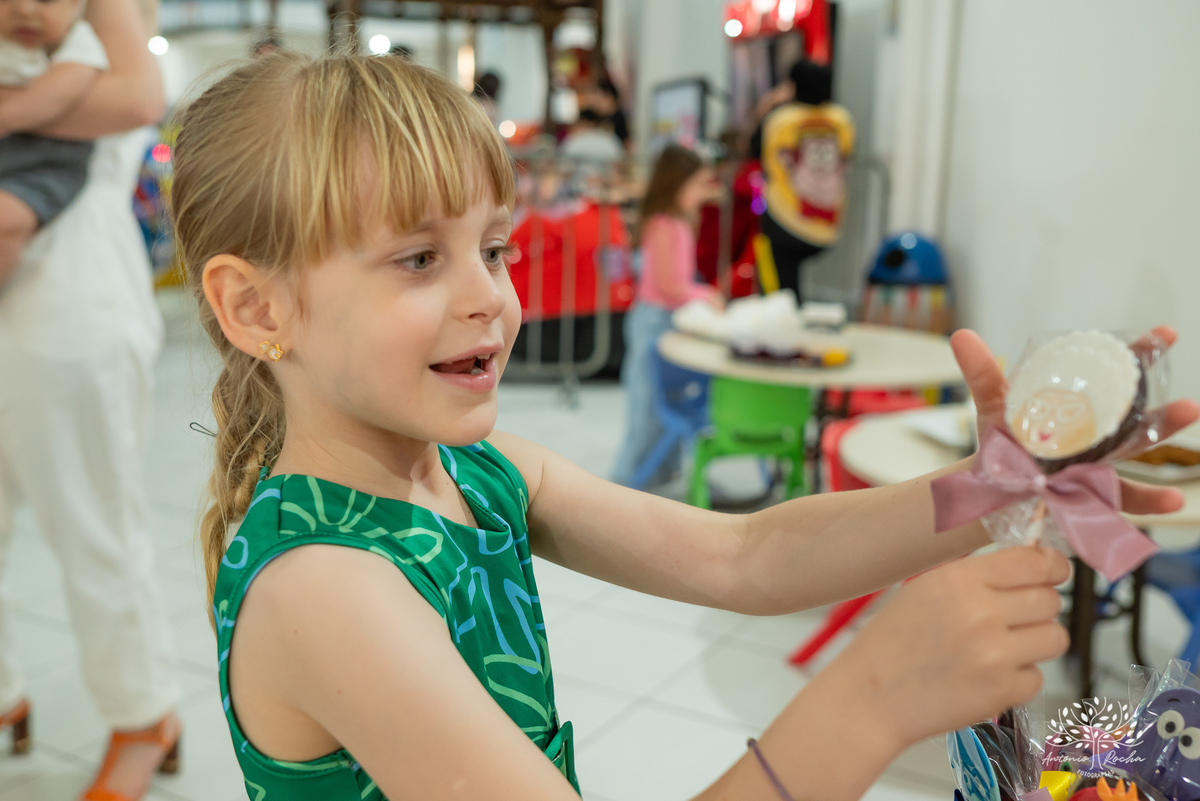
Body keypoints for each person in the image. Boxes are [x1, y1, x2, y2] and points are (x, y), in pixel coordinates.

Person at [167, 52, 1197, 801]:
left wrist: (994, 489)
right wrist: (875, 695)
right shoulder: (326, 591)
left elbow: (743, 556)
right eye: (418, 259)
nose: (492, 298)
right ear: (257, 308)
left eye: (496, 248)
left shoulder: (480, 472)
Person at [0, 0, 182, 796]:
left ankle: (143, 713)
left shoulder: (102, 21)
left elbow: (139, 99)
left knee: (94, 526)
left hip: (72, 306)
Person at [611, 144, 722, 488]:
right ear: (678, 183)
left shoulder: (678, 222)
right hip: (654, 322)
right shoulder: (663, 225)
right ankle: (626, 482)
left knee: (669, 405)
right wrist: (707, 294)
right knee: (646, 410)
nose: (703, 193)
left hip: (670, 322)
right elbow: (671, 286)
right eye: (697, 184)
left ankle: (660, 473)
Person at [0, 0, 109, 290]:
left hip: (45, 163)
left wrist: (9, 115)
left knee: (6, 220)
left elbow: (57, 94)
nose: (24, 10)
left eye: (45, 0)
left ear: (76, 6)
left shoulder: (76, 43)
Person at [750, 59, 854, 301]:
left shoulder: (781, 118)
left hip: (784, 218)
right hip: (827, 220)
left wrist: (766, 106)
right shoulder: (842, 119)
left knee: (777, 291)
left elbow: (755, 151)